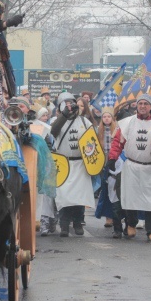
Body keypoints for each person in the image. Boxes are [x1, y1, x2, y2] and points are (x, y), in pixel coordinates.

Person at [107, 95, 151, 241]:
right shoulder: (127, 123)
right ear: (137, 105)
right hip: (132, 166)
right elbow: (118, 142)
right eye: (140, 103)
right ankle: (131, 225)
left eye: (146, 103)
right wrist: (113, 158)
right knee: (130, 198)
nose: (143, 106)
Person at [50, 92, 94, 237]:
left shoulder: (84, 122)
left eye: (72, 103)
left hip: (80, 164)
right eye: (66, 103)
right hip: (64, 164)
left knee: (79, 198)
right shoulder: (58, 122)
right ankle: (64, 225)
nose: (70, 106)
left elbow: (92, 142)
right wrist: (64, 115)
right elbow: (53, 132)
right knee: (64, 197)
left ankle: (77, 223)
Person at [94, 107, 118, 229]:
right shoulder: (99, 131)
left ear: (112, 118)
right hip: (104, 165)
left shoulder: (117, 130)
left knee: (116, 191)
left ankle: (116, 216)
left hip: (115, 164)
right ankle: (108, 217)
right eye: (104, 117)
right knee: (106, 191)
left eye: (108, 116)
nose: (106, 118)